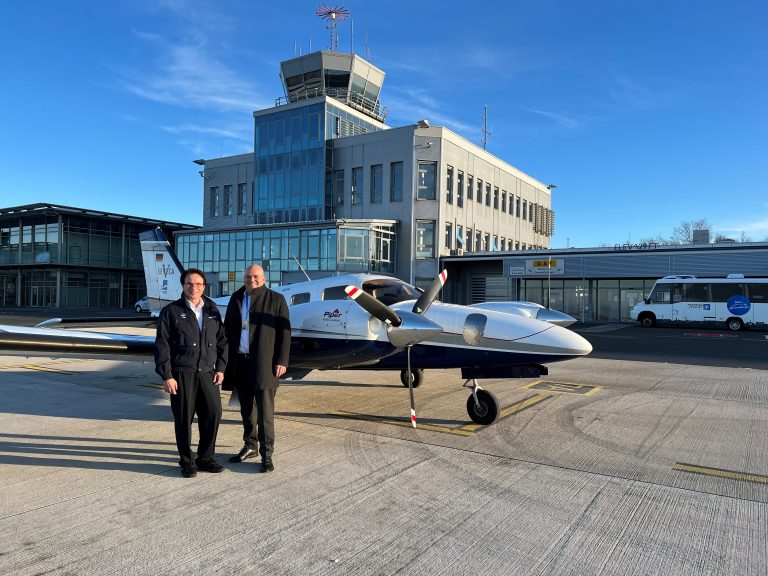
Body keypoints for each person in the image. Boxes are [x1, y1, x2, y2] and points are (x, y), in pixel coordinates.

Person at [154, 268, 228, 478]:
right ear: (183, 285)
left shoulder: (212, 310)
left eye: (198, 284)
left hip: (208, 373)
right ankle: (187, 461)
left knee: (213, 413)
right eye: (189, 284)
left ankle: (205, 457)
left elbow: (222, 341)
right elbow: (162, 345)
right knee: (184, 419)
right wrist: (167, 376)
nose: (193, 288)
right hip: (182, 374)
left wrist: (221, 368)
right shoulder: (171, 311)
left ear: (204, 286)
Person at [224, 264, 290, 472]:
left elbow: (285, 333)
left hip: (264, 364)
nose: (251, 280)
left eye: (255, 276)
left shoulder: (276, 299)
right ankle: (250, 445)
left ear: (263, 279)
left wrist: (282, 360)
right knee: (246, 410)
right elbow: (227, 330)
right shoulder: (236, 298)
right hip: (240, 362)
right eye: (247, 276)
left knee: (265, 412)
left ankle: (267, 453)